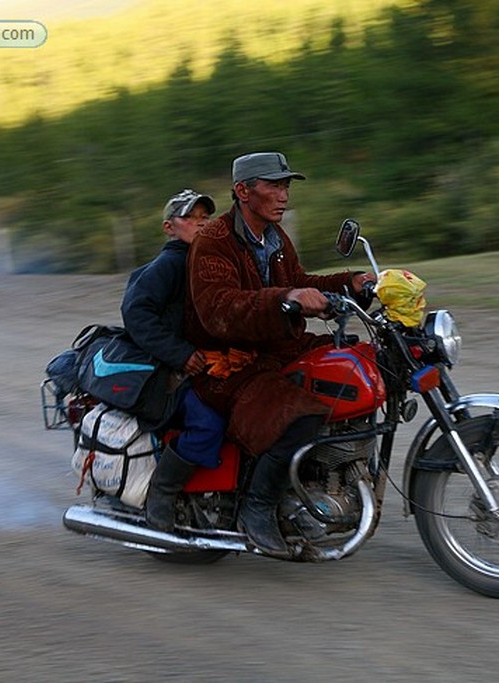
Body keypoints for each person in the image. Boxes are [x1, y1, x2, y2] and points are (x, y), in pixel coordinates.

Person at [185, 152, 376, 557]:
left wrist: (351, 283)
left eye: (286, 185)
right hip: (228, 364)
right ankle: (258, 508)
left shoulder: (274, 238)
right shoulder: (214, 241)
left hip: (276, 349)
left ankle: (334, 475)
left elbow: (300, 282)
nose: (283, 194)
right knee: (299, 414)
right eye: (273, 185)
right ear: (243, 191)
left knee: (360, 359)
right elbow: (219, 309)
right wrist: (285, 299)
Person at [121, 189, 226, 531]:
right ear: (169, 227)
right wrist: (181, 354)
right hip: (172, 375)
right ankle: (161, 494)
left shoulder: (207, 263)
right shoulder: (169, 264)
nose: (200, 224)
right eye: (190, 218)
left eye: (205, 218)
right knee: (209, 425)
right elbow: (136, 314)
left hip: (209, 366)